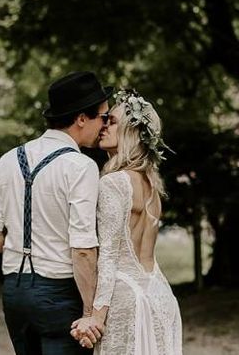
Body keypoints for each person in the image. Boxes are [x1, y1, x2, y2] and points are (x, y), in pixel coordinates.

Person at [0, 71, 113, 354]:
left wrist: (24, 249)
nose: (104, 125)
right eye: (103, 117)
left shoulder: (9, 159)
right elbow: (83, 249)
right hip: (59, 293)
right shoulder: (79, 166)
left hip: (14, 291)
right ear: (81, 118)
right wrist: (89, 312)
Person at [71, 89, 183, 354]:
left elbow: (108, 257)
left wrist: (95, 317)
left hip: (127, 299)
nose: (104, 126)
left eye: (112, 122)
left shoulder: (114, 183)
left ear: (131, 133)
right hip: (159, 293)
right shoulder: (153, 187)